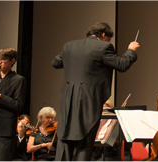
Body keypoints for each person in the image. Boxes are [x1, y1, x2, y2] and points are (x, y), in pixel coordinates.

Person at [52, 22, 139, 161]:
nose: (108, 42)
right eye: (108, 38)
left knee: (65, 141)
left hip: (67, 101)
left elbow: (56, 63)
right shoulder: (104, 47)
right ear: (103, 35)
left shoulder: (69, 46)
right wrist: (131, 50)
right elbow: (122, 64)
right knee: (84, 142)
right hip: (88, 101)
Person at [0, 47, 27, 161]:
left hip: (5, 131)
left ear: (12, 61)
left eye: (3, 60)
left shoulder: (18, 80)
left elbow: (18, 105)